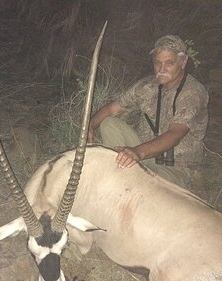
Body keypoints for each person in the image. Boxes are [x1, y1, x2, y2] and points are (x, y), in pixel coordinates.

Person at [88, 35, 209, 188]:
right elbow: (113, 109)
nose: (162, 69)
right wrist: (90, 125)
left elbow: (175, 134)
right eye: (158, 62)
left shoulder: (192, 92)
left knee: (144, 186)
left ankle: (124, 174)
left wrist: (137, 152)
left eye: (169, 63)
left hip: (176, 165)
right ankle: (122, 170)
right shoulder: (147, 86)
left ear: (183, 62)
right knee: (109, 123)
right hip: (144, 153)